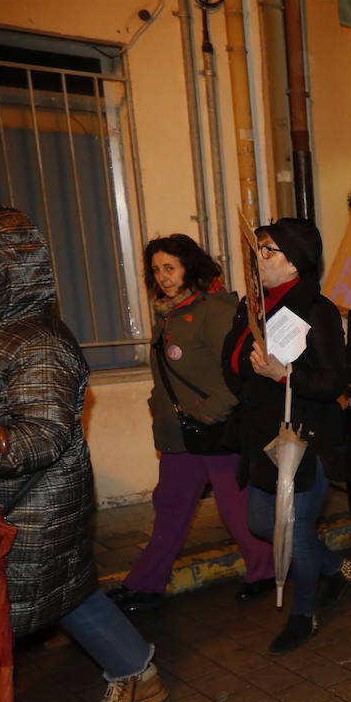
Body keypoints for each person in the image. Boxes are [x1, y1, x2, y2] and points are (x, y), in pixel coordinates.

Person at [0, 206, 168, 702]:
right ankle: (138, 672)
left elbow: (39, 438)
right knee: (67, 595)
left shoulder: (39, 343)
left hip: (22, 510)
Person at [107, 235, 274, 612]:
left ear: (190, 268)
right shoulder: (170, 313)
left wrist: (211, 409)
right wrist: (158, 404)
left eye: (170, 268)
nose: (162, 277)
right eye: (156, 270)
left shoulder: (213, 310)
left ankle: (265, 569)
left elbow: (240, 370)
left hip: (215, 429)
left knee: (235, 509)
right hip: (179, 434)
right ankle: (145, 585)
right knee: (170, 506)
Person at [223, 218, 351, 655]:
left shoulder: (314, 309)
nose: (259, 259)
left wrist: (286, 375)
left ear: (295, 262)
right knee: (261, 522)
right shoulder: (254, 305)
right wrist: (246, 366)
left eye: (269, 252)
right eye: (258, 250)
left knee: (295, 531)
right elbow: (234, 363)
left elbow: (332, 381)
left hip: (304, 437)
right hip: (261, 435)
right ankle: (334, 567)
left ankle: (304, 614)